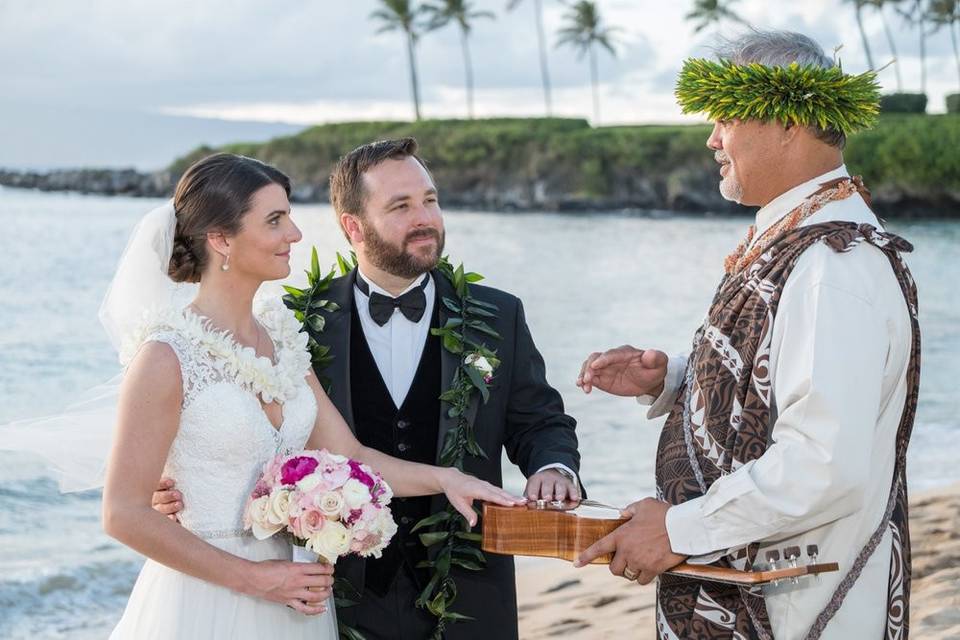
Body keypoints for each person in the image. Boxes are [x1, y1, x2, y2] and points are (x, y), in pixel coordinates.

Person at [157, 138, 583, 639]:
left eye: (430, 200)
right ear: (352, 226)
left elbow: (539, 419)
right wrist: (171, 485)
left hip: (470, 586)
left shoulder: (499, 315)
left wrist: (554, 468)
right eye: (401, 206)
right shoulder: (293, 326)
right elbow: (236, 433)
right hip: (332, 594)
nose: (425, 217)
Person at [575, 31, 920, 639]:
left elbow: (822, 465)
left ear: (787, 123)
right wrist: (677, 379)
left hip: (798, 609)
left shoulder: (832, 266)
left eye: (725, 118)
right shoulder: (805, 240)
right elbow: (783, 382)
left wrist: (677, 529)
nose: (712, 138)